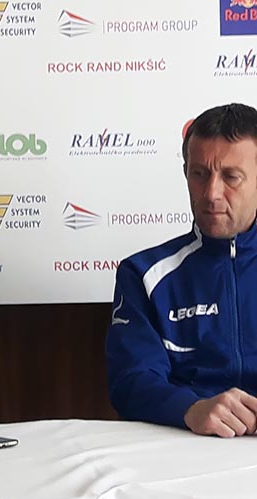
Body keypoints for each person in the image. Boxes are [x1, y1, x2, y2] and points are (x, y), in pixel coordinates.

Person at [106, 102, 257, 438]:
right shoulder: (143, 274)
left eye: (231, 177)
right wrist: (189, 408)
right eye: (199, 174)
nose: (211, 193)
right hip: (184, 443)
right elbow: (130, 381)